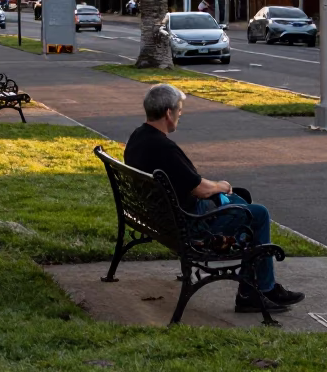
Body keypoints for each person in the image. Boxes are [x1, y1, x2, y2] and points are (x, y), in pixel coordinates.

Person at [124, 84, 305, 314]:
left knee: (241, 201)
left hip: (161, 218)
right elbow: (198, 188)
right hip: (190, 223)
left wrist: (217, 189)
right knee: (257, 214)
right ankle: (259, 290)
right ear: (168, 113)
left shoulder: (138, 137)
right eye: (179, 109)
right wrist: (220, 186)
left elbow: (188, 181)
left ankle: (252, 288)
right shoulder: (163, 147)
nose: (181, 113)